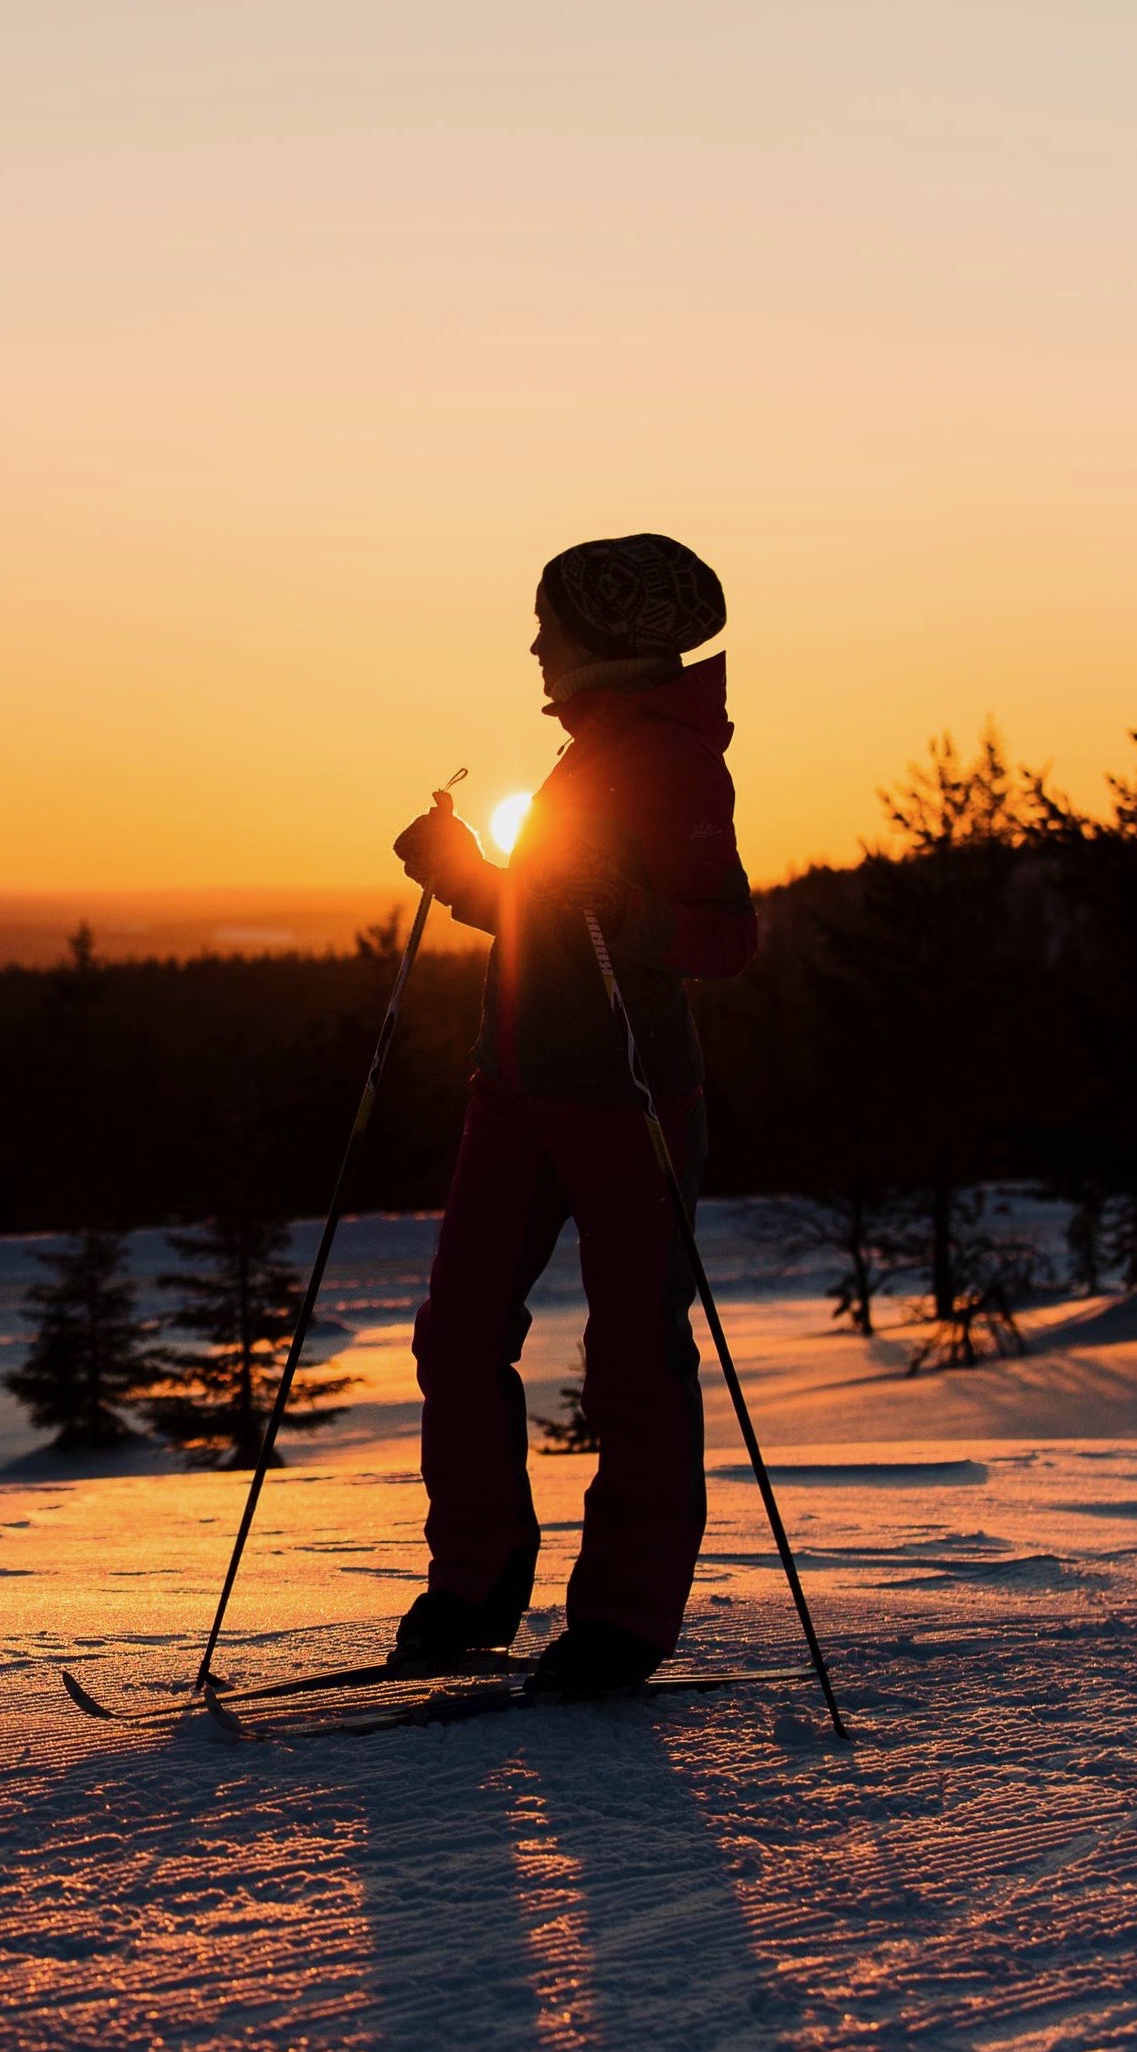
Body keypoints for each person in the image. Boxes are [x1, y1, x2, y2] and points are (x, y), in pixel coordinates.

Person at [388, 532, 756, 1694]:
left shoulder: (671, 763)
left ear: (602, 640)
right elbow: (554, 920)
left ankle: (622, 1619)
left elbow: (725, 938)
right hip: (517, 1083)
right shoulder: (591, 752)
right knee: (458, 1333)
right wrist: (458, 873)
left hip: (629, 1098)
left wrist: (630, 912)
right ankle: (477, 1583)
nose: (535, 647)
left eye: (549, 627)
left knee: (632, 1354)